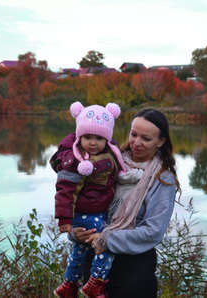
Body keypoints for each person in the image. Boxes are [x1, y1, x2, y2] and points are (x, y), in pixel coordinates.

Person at [74, 108, 181, 298]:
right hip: (94, 260)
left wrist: (107, 240)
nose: (136, 143)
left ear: (161, 141)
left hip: (134, 269)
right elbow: (82, 204)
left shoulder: (163, 179)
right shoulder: (107, 163)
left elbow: (153, 231)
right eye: (133, 134)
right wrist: (76, 232)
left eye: (146, 139)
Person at [50, 101, 126, 298]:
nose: (93, 142)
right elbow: (64, 191)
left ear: (107, 140)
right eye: (88, 137)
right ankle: (95, 283)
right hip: (84, 213)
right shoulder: (76, 161)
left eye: (99, 138)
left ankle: (69, 285)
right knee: (105, 243)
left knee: (80, 249)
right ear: (79, 137)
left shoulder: (108, 153)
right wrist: (64, 220)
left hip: (96, 211)